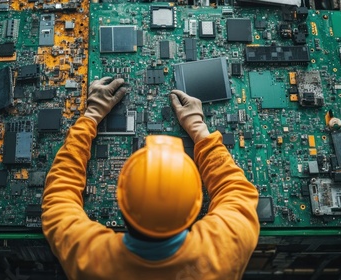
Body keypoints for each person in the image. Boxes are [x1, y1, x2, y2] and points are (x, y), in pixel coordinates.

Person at [42, 77, 260, 280]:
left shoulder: (89, 261)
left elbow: (59, 196)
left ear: (121, 198)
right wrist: (198, 127)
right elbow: (236, 190)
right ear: (196, 206)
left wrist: (91, 116)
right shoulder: (226, 250)